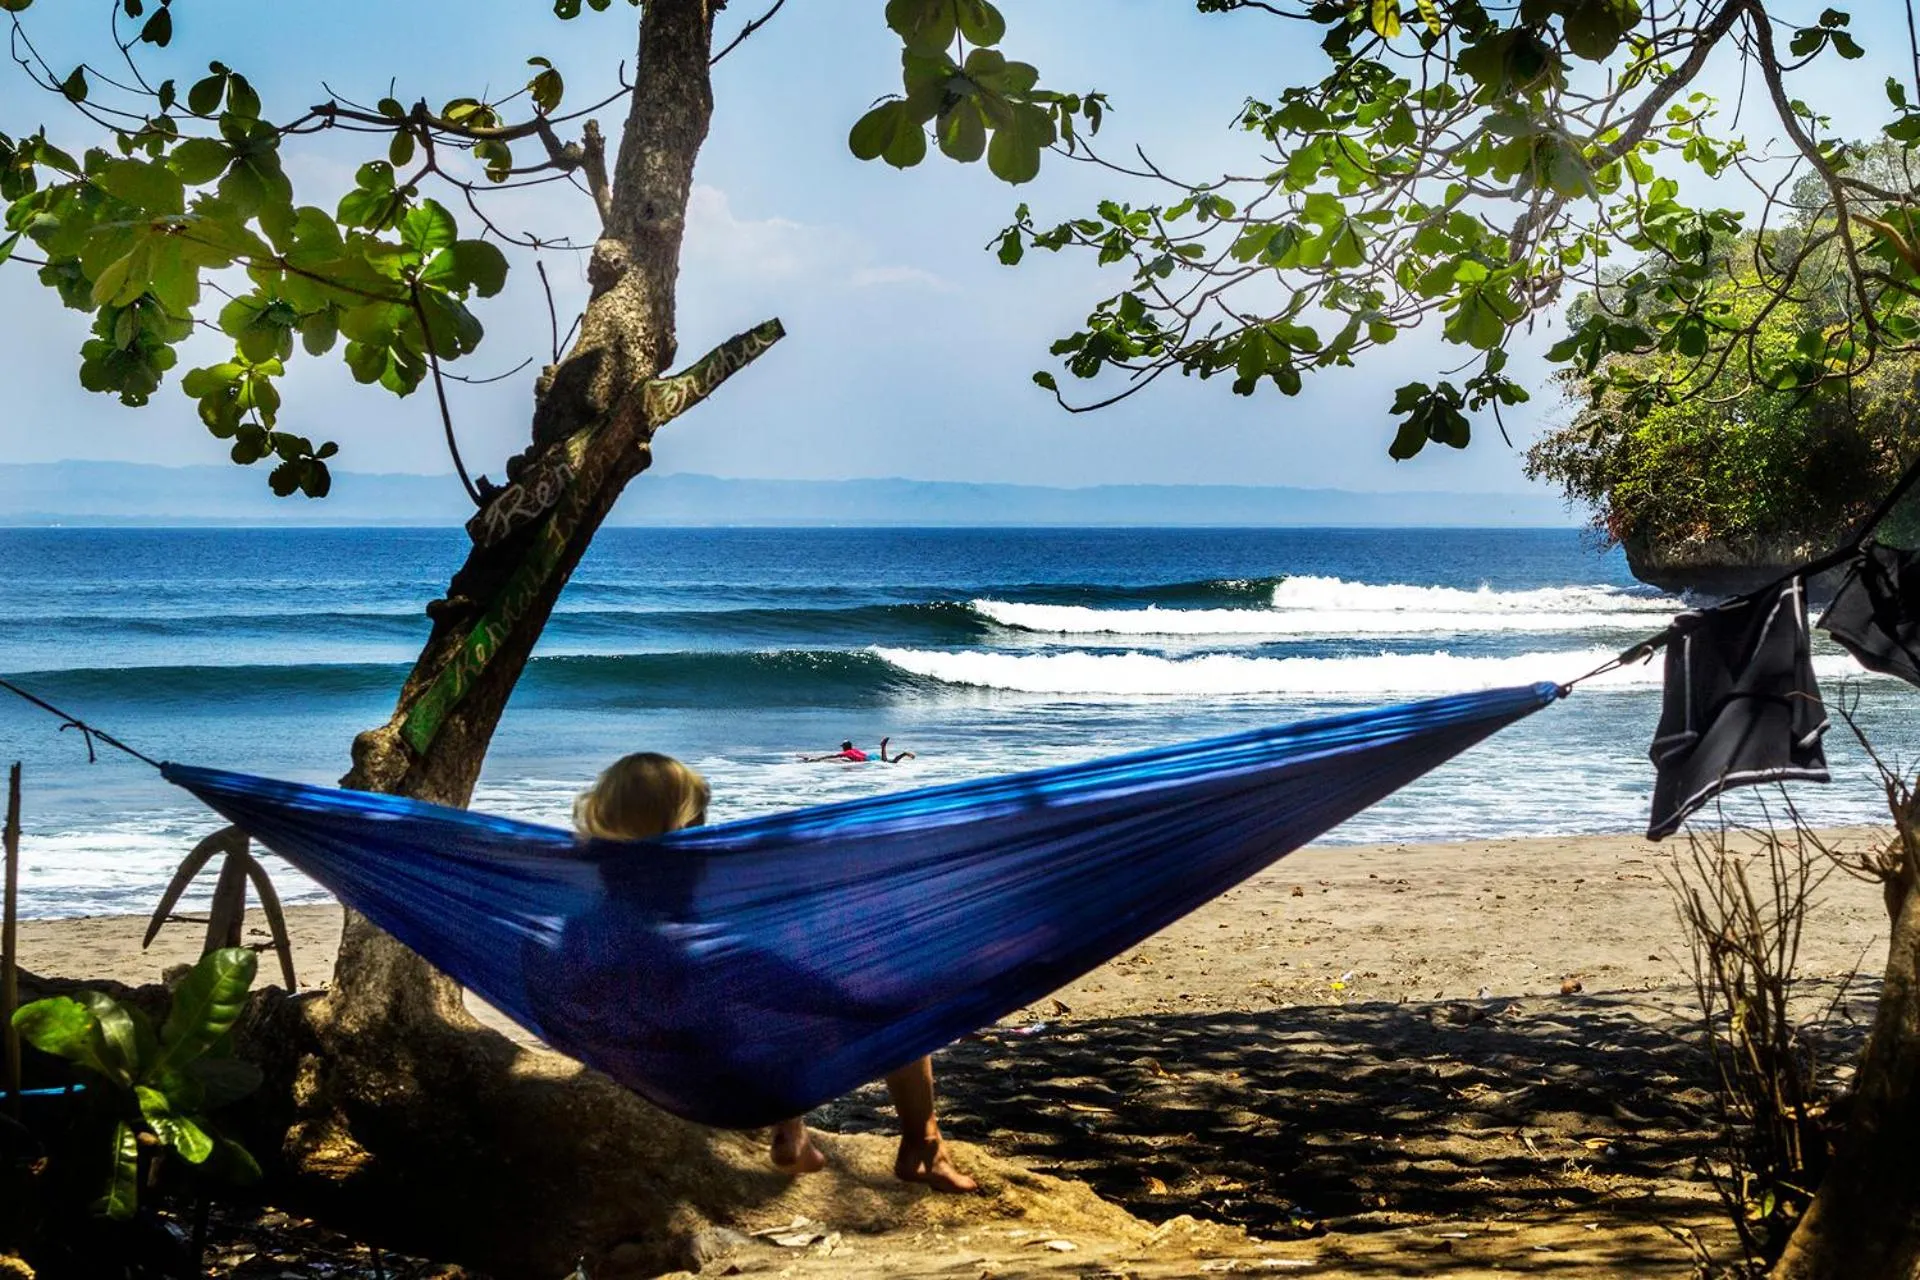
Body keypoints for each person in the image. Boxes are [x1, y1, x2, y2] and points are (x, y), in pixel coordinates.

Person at [574, 752, 976, 1193]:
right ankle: (922, 1142)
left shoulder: (573, 929)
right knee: (892, 1000)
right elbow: (829, 999)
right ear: (686, 843)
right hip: (714, 1092)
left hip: (634, 1069)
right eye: (700, 829)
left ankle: (795, 1128)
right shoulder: (706, 946)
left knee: (739, 1007)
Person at [800, 738, 915, 763]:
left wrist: (817, 759)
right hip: (871, 756)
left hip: (869, 759)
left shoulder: (847, 752)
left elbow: (833, 756)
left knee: (886, 761)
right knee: (891, 762)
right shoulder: (853, 750)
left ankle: (883, 746)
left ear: (844, 747)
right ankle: (904, 754)